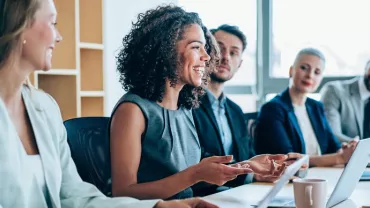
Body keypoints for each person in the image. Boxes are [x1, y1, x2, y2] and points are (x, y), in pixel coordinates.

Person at [0, 0, 218, 207]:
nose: (59, 37)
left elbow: (75, 196)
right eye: (52, 23)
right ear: (19, 25)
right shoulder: (135, 109)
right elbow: (123, 190)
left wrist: (158, 206)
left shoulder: (45, 108)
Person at [109, 5, 290, 201]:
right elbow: (123, 193)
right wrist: (195, 174)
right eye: (196, 47)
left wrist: (245, 166)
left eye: (205, 47)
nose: (207, 57)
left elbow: (193, 179)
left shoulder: (185, 108)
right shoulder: (132, 110)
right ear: (165, 50)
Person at [192, 24, 292, 196]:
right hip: (204, 196)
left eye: (233, 53)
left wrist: (267, 170)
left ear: (239, 64)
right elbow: (195, 161)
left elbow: (248, 156)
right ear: (206, 53)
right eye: (219, 48)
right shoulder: (187, 104)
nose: (225, 57)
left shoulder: (236, 111)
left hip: (238, 193)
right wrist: (249, 174)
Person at [255, 48, 357, 167]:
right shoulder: (272, 108)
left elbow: (333, 146)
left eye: (317, 72)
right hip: (290, 179)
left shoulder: (316, 106)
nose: (310, 75)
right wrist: (339, 158)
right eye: (304, 68)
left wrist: (345, 150)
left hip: (320, 174)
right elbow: (288, 159)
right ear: (291, 71)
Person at [320, 60, 370, 142]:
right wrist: (364, 149)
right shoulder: (334, 91)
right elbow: (332, 135)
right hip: (342, 153)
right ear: (366, 68)